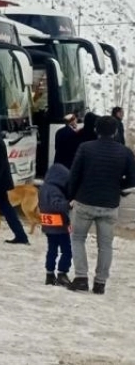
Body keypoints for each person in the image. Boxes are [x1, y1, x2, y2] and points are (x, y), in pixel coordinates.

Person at [67, 116, 135, 294]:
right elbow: (131, 181)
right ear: (115, 132)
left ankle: (81, 278)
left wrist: (71, 196)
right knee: (105, 245)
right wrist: (117, 189)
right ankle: (100, 283)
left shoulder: (85, 148)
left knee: (77, 238)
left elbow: (74, 175)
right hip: (110, 204)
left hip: (85, 201)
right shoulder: (125, 152)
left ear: (96, 130)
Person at [39, 163, 72, 287]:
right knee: (67, 251)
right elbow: (57, 204)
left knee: (51, 250)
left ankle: (49, 274)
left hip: (48, 225)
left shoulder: (43, 188)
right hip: (59, 226)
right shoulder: (55, 190)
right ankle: (62, 273)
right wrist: (69, 204)